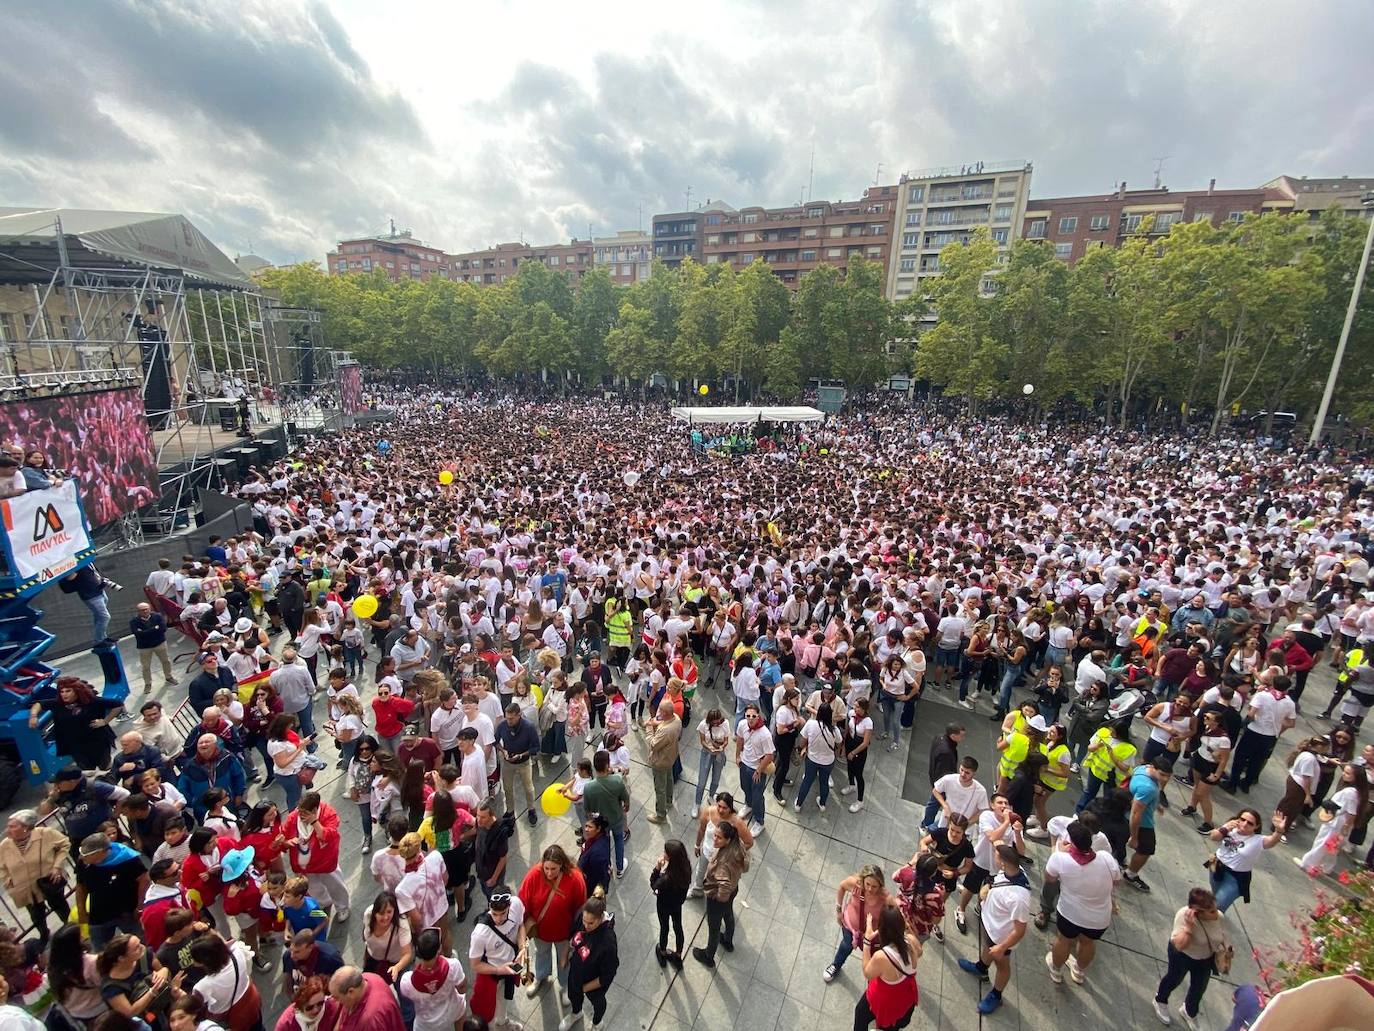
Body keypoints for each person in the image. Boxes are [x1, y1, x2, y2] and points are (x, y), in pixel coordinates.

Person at [1043, 820, 1121, 985]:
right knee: (1088, 943)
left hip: (1070, 913)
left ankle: (1056, 969)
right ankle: (1078, 971)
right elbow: (1116, 881)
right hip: (1099, 918)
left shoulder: (1060, 859)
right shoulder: (1106, 858)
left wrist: (1059, 851)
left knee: (1064, 940)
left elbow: (1049, 878)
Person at [957, 844, 1030, 1016]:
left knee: (1002, 965)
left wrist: (1002, 947)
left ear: (1003, 863)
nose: (993, 858)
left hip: (1001, 937)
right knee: (986, 949)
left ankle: (996, 995)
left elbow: (1020, 930)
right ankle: (981, 967)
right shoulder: (1011, 870)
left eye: (996, 857)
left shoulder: (1019, 898)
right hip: (990, 926)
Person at [519, 843, 586, 1005]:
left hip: (564, 933)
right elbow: (523, 901)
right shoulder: (534, 875)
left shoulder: (575, 879)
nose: (549, 873)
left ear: (562, 865)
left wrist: (577, 933)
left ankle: (565, 986)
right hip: (541, 932)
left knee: (564, 961)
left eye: (553, 869)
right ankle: (541, 976)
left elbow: (580, 908)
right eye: (546, 868)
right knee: (541, 953)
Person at [1153, 887, 1229, 1030]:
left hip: (1205, 957)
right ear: (1198, 912)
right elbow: (1180, 945)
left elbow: (1222, 934)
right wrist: (1189, 928)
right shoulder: (1183, 917)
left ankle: (1189, 1011)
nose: (1216, 913)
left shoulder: (1218, 916)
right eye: (1211, 911)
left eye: (1215, 908)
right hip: (1183, 955)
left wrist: (1227, 949)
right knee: (1174, 979)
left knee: (1199, 987)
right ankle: (1160, 1000)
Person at [0, 809, 70, 946]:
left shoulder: (46, 834)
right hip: (25, 888)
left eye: (13, 826)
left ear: (25, 828)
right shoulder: (5, 845)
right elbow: (1, 867)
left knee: (60, 906)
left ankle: (71, 929)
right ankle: (44, 935)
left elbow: (65, 844)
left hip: (48, 882)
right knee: (36, 915)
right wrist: (7, 879)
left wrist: (56, 866)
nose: (8, 829)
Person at [28, 676, 122, 771]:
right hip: (75, 744)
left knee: (105, 766)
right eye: (62, 692)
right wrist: (33, 716)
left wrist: (105, 721)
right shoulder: (57, 703)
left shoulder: (91, 701)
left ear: (76, 691)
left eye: (68, 691)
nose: (64, 694)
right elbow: (38, 704)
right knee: (87, 769)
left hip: (97, 741)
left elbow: (118, 704)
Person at [284, 793, 351, 922]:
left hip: (325, 862)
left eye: (304, 812)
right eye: (299, 810)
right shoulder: (293, 817)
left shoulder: (328, 814)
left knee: (335, 885)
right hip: (304, 866)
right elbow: (285, 834)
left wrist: (314, 822)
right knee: (313, 888)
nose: (300, 814)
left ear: (314, 810)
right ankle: (324, 903)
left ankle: (342, 907)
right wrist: (287, 842)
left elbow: (328, 835)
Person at [1203, 808, 1287, 912]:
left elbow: (1272, 841)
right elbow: (1213, 837)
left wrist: (1278, 831)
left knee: (1218, 906)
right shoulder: (1230, 828)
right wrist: (1225, 828)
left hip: (1235, 877)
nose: (1245, 823)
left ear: (1256, 826)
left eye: (1250, 823)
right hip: (1216, 866)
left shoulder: (1258, 840)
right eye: (1242, 819)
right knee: (1215, 896)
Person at [852, 904, 920, 1031]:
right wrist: (907, 927)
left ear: (881, 929)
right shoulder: (911, 941)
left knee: (861, 1014)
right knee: (892, 1027)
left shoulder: (882, 957)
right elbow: (920, 951)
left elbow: (867, 973)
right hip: (905, 996)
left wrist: (867, 941)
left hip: (885, 1002)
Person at [691, 820, 749, 968]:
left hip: (719, 898)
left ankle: (708, 956)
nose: (714, 839)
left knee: (714, 927)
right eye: (714, 835)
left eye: (719, 837)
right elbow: (746, 864)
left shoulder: (722, 863)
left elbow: (723, 885)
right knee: (728, 914)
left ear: (727, 840)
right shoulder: (738, 844)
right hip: (733, 890)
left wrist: (718, 897)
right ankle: (728, 941)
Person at [75, 831, 148, 949]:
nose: (82, 857)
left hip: (127, 911)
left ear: (100, 852)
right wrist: (81, 909)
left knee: (139, 944)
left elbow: (144, 879)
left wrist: (140, 905)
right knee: (100, 949)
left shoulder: (127, 858)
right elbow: (81, 886)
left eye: (86, 854)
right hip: (99, 913)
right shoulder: (83, 862)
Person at [467, 889, 527, 1031]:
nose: (498, 918)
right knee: (487, 1011)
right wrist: (499, 970)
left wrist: (522, 947)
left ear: (509, 906)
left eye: (503, 913)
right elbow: (474, 965)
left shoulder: (516, 905)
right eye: (494, 914)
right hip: (491, 975)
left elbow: (520, 926)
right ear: (489, 907)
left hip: (509, 969)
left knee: (503, 1001)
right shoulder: (480, 933)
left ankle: (503, 1022)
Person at [1297, 761, 1369, 875]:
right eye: (1344, 772)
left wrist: (1345, 828)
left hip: (1337, 823)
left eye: (1348, 773)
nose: (1344, 774)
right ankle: (1327, 868)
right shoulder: (1357, 791)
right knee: (1332, 847)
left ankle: (1306, 863)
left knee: (1322, 843)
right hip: (1339, 822)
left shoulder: (1350, 792)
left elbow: (1352, 813)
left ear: (1356, 778)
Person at [560, 893, 617, 1031]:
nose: (585, 926)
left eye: (591, 923)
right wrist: (565, 954)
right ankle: (576, 1013)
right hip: (577, 971)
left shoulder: (608, 942)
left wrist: (584, 988)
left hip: (595, 981)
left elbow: (608, 974)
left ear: (600, 918)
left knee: (598, 1003)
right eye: (584, 921)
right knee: (574, 996)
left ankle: (597, 1022)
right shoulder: (583, 915)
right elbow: (572, 935)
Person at [823, 864, 890, 982]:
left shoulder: (885, 898)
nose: (870, 889)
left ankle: (874, 982)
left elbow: (896, 915)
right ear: (863, 880)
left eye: (874, 886)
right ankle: (836, 965)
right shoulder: (855, 884)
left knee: (873, 958)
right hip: (850, 928)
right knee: (845, 946)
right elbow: (842, 887)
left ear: (880, 885)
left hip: (872, 937)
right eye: (867, 884)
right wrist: (839, 910)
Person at [191, 933, 264, 1031]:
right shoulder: (237, 952)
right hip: (252, 999)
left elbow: (193, 1007)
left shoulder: (203, 986)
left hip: (235, 1017)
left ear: (204, 961)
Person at [1123, 755, 1175, 894]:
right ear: (1153, 767)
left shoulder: (1142, 769)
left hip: (1128, 813)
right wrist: (1134, 837)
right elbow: (1136, 814)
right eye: (1162, 775)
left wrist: (1155, 804)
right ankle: (1131, 874)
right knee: (1146, 849)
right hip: (1143, 823)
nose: (1165, 779)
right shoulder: (1148, 788)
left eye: (1168, 776)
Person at [399, 927, 468, 1031]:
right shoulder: (453, 965)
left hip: (427, 1024)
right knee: (461, 1004)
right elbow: (462, 988)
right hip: (452, 1010)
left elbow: (407, 996)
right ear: (439, 949)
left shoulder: (406, 981)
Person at [581, 751, 630, 878]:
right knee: (619, 841)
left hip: (601, 823)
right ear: (607, 765)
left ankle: (607, 867)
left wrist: (592, 821)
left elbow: (587, 810)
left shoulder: (588, 788)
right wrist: (626, 806)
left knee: (605, 844)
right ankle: (620, 868)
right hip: (617, 818)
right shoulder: (617, 780)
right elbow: (625, 798)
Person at [495, 703, 540, 826]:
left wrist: (521, 755)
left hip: (524, 762)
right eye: (506, 717)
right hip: (508, 762)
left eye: (511, 718)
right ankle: (510, 811)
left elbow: (536, 747)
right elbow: (496, 741)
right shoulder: (502, 725)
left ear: (519, 715)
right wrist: (503, 751)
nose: (508, 721)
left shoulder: (529, 727)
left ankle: (531, 809)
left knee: (528, 788)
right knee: (507, 788)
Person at [650, 839, 692, 967]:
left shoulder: (666, 879)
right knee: (678, 927)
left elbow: (653, 885)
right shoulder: (686, 868)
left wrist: (657, 868)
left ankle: (662, 952)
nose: (663, 853)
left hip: (664, 905)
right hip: (677, 904)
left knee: (664, 927)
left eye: (665, 852)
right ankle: (678, 955)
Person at [735, 703, 774, 838]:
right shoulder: (742, 725)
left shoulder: (765, 734)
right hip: (744, 764)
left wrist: (759, 770)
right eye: (748, 716)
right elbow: (740, 739)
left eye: (753, 716)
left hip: (757, 769)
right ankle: (748, 805)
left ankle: (759, 821)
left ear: (758, 716)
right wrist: (737, 756)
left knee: (758, 796)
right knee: (745, 787)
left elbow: (769, 755)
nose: (750, 719)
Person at [793, 700, 840, 812]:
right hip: (828, 761)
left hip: (812, 759)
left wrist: (800, 749)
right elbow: (838, 742)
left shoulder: (811, 724)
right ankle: (822, 804)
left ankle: (798, 804)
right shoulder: (834, 730)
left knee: (807, 781)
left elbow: (803, 741)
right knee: (824, 783)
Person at [328, 966, 406, 1031]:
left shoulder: (371, 1020)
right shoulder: (366, 978)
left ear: (351, 992)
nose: (334, 1000)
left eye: (337, 997)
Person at [645, 698, 681, 823]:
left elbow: (653, 745)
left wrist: (649, 728)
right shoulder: (676, 719)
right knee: (669, 779)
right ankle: (669, 801)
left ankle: (660, 815)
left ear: (665, 713)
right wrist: (657, 724)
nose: (658, 712)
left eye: (660, 710)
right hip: (671, 757)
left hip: (660, 761)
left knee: (660, 788)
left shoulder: (666, 731)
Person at [282, 929, 345, 997]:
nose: (292, 955)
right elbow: (288, 981)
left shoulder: (331, 959)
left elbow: (342, 983)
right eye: (291, 950)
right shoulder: (288, 955)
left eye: (297, 952)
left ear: (310, 947)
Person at [131, 602, 177, 694]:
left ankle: (168, 677)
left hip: (160, 644)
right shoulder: (134, 621)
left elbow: (163, 629)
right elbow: (139, 634)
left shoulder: (157, 616)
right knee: (146, 666)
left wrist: (146, 632)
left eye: (146, 609)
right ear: (138, 612)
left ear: (150, 608)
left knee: (166, 661)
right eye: (142, 610)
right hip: (144, 647)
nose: (145, 611)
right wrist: (155, 629)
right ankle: (148, 683)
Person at [274, 975, 340, 1031]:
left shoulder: (334, 1006)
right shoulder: (286, 1024)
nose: (316, 1010)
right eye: (310, 1007)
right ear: (300, 1006)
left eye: (320, 1003)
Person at [577, 815, 613, 898]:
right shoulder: (595, 839)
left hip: (590, 884)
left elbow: (601, 875)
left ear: (598, 829)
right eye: (586, 826)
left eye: (590, 827)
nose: (586, 829)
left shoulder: (598, 853)